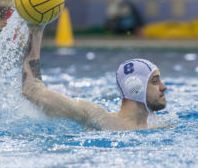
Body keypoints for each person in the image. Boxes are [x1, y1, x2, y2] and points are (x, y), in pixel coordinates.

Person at [22, 24, 167, 130]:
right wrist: (35, 30)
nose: (164, 87)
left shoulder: (160, 127)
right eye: (155, 81)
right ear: (135, 87)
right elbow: (32, 91)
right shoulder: (99, 119)